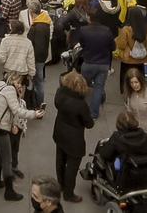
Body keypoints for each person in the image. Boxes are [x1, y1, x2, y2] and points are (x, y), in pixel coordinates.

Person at [0, 72, 43, 201]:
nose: (20, 85)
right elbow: (17, 110)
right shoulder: (10, 90)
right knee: (7, 159)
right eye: (19, 82)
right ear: (14, 81)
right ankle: (9, 191)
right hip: (1, 128)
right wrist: (34, 114)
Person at [52, 71, 93, 203]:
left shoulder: (60, 94)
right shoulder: (81, 104)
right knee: (72, 167)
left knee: (60, 160)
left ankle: (61, 185)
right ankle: (69, 194)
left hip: (60, 132)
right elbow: (89, 124)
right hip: (74, 139)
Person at [71, 9, 117, 119]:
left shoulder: (83, 30)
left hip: (88, 62)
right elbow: (113, 47)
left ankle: (82, 110)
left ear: (89, 18)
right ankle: (94, 113)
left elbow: (81, 44)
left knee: (84, 87)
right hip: (103, 64)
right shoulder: (107, 30)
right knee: (98, 88)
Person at [115, 7, 147, 82]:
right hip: (143, 58)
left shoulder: (126, 29)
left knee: (127, 79)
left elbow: (121, 45)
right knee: (140, 79)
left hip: (128, 59)